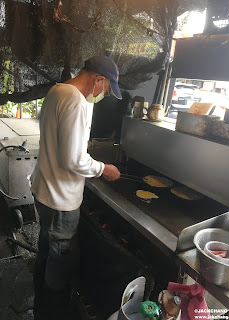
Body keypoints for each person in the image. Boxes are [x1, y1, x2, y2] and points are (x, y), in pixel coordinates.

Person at [30, 55, 122, 319]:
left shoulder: (56, 91)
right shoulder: (76, 101)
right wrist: (104, 169)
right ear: (98, 79)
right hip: (61, 199)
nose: (103, 93)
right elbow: (73, 160)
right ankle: (52, 309)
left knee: (46, 247)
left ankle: (41, 301)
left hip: (44, 190)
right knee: (59, 260)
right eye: (105, 88)